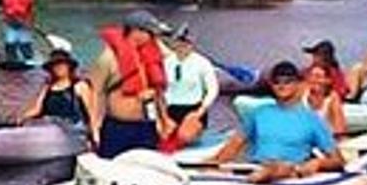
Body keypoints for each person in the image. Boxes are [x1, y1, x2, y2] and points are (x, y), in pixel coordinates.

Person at [212, 60, 344, 184]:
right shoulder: (259, 113)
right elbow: (233, 145)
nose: (281, 85)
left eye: (287, 81)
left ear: (298, 84)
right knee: (259, 168)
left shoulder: (312, 119)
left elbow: (337, 160)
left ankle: (269, 173)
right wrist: (212, 166)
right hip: (256, 167)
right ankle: (262, 175)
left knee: (283, 167)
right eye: (276, 82)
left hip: (290, 173)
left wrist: (318, 163)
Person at [86, 10, 171, 157]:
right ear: (135, 31)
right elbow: (95, 92)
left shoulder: (153, 55)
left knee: (146, 166)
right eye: (149, 33)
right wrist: (94, 127)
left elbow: (159, 92)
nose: (152, 37)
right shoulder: (108, 58)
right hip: (118, 126)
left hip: (146, 124)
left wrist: (164, 120)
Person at [160, 23, 221, 146]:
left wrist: (200, 111)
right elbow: (159, 90)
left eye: (186, 43)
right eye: (179, 42)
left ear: (192, 45)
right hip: (170, 109)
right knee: (162, 137)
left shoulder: (202, 63)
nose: (183, 46)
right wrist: (163, 116)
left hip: (193, 110)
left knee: (185, 137)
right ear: (174, 43)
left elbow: (212, 89)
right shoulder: (166, 63)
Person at [19, 48, 91, 125]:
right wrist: (22, 117)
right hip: (50, 125)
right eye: (55, 65)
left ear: (69, 66)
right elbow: (37, 109)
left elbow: (91, 112)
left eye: (62, 64)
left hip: (73, 127)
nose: (59, 68)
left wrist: (95, 134)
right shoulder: (47, 88)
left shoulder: (79, 86)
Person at [303, 60, 351, 138]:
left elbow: (340, 129)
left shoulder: (332, 99)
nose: (314, 80)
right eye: (311, 76)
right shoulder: (302, 93)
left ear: (327, 80)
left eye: (318, 76)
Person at [0, 0, 37, 65]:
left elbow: (31, 10)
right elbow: (4, 9)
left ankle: (28, 59)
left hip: (24, 23)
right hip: (11, 23)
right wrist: (5, 17)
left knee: (25, 44)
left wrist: (30, 22)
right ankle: (12, 59)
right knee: (10, 42)